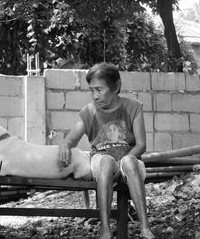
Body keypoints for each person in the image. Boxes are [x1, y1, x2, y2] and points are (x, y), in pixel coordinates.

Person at [59, 62, 154, 239]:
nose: (95, 96)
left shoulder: (133, 107)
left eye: (99, 90)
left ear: (116, 86)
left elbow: (141, 145)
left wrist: (124, 160)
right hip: (102, 163)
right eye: (92, 90)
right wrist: (65, 145)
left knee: (128, 161)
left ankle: (145, 228)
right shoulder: (89, 111)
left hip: (130, 163)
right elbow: (71, 140)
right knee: (106, 162)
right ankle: (105, 230)